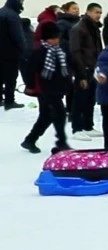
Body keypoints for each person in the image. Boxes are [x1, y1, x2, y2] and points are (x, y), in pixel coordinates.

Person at [20, 22, 72, 154]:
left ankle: (30, 140)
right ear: (45, 38)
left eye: (57, 37)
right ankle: (61, 142)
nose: (56, 40)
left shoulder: (60, 50)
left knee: (46, 116)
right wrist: (30, 86)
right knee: (59, 114)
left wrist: (68, 83)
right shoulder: (40, 52)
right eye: (52, 38)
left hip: (57, 89)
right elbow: (29, 71)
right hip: (44, 89)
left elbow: (66, 68)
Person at [68, 2, 104, 138]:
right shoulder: (79, 28)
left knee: (90, 99)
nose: (99, 15)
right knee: (80, 99)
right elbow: (75, 52)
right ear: (88, 12)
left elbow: (97, 47)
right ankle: (76, 128)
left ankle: (88, 125)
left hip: (94, 67)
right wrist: (81, 73)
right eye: (96, 12)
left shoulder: (94, 28)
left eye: (100, 13)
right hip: (83, 69)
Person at [0, 0, 28, 110]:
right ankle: (9, 101)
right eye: (21, 0)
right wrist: (24, 50)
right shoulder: (13, 16)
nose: (22, 3)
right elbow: (18, 36)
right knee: (11, 77)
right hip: (10, 52)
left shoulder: (1, 12)